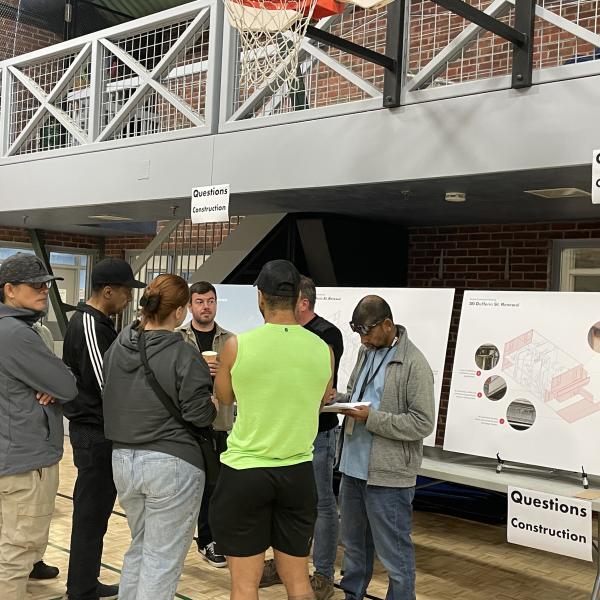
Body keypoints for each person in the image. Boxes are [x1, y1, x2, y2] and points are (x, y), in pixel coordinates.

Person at [210, 259, 333, 600]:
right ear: (298, 299)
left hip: (246, 473)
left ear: (260, 297)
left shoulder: (237, 345)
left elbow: (223, 397)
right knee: (297, 582)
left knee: (245, 585)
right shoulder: (322, 349)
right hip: (297, 473)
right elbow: (324, 396)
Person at [103, 274, 216, 600]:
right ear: (181, 312)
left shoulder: (119, 345)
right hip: (172, 464)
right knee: (161, 560)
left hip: (123, 460)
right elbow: (199, 415)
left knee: (141, 547)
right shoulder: (183, 354)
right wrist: (213, 401)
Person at [337, 295, 435, 600]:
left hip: (389, 477)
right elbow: (362, 396)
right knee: (353, 548)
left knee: (395, 555)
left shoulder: (414, 364)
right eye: (359, 335)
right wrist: (337, 400)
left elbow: (422, 423)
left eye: (367, 332)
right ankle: (351, 594)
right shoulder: (366, 354)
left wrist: (373, 419)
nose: (363, 340)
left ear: (388, 325)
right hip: (352, 469)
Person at [62, 257, 145, 600]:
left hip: (98, 431)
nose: (129, 298)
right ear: (108, 290)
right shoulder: (90, 325)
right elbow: (106, 384)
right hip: (95, 434)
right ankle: (81, 588)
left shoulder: (98, 323)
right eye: (126, 291)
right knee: (91, 514)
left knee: (94, 515)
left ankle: (86, 582)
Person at [0, 253, 77, 600]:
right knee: (17, 555)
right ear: (9, 290)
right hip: (23, 463)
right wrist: (52, 384)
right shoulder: (15, 333)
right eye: (35, 285)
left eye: (46, 284)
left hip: (11, 455)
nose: (44, 290)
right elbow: (66, 385)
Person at [261, 275, 343, 600]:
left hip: (318, 433)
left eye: (287, 299)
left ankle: (322, 574)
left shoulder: (326, 335)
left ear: (303, 303)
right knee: (280, 501)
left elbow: (319, 388)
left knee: (322, 504)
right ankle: (281, 563)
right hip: (283, 430)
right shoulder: (282, 333)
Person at [178, 281, 232, 568]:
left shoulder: (230, 340)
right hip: (184, 424)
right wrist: (197, 366)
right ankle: (177, 538)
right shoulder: (177, 338)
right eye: (200, 301)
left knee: (215, 486)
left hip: (220, 423)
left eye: (210, 301)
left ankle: (209, 539)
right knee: (183, 485)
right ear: (190, 306)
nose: (206, 306)